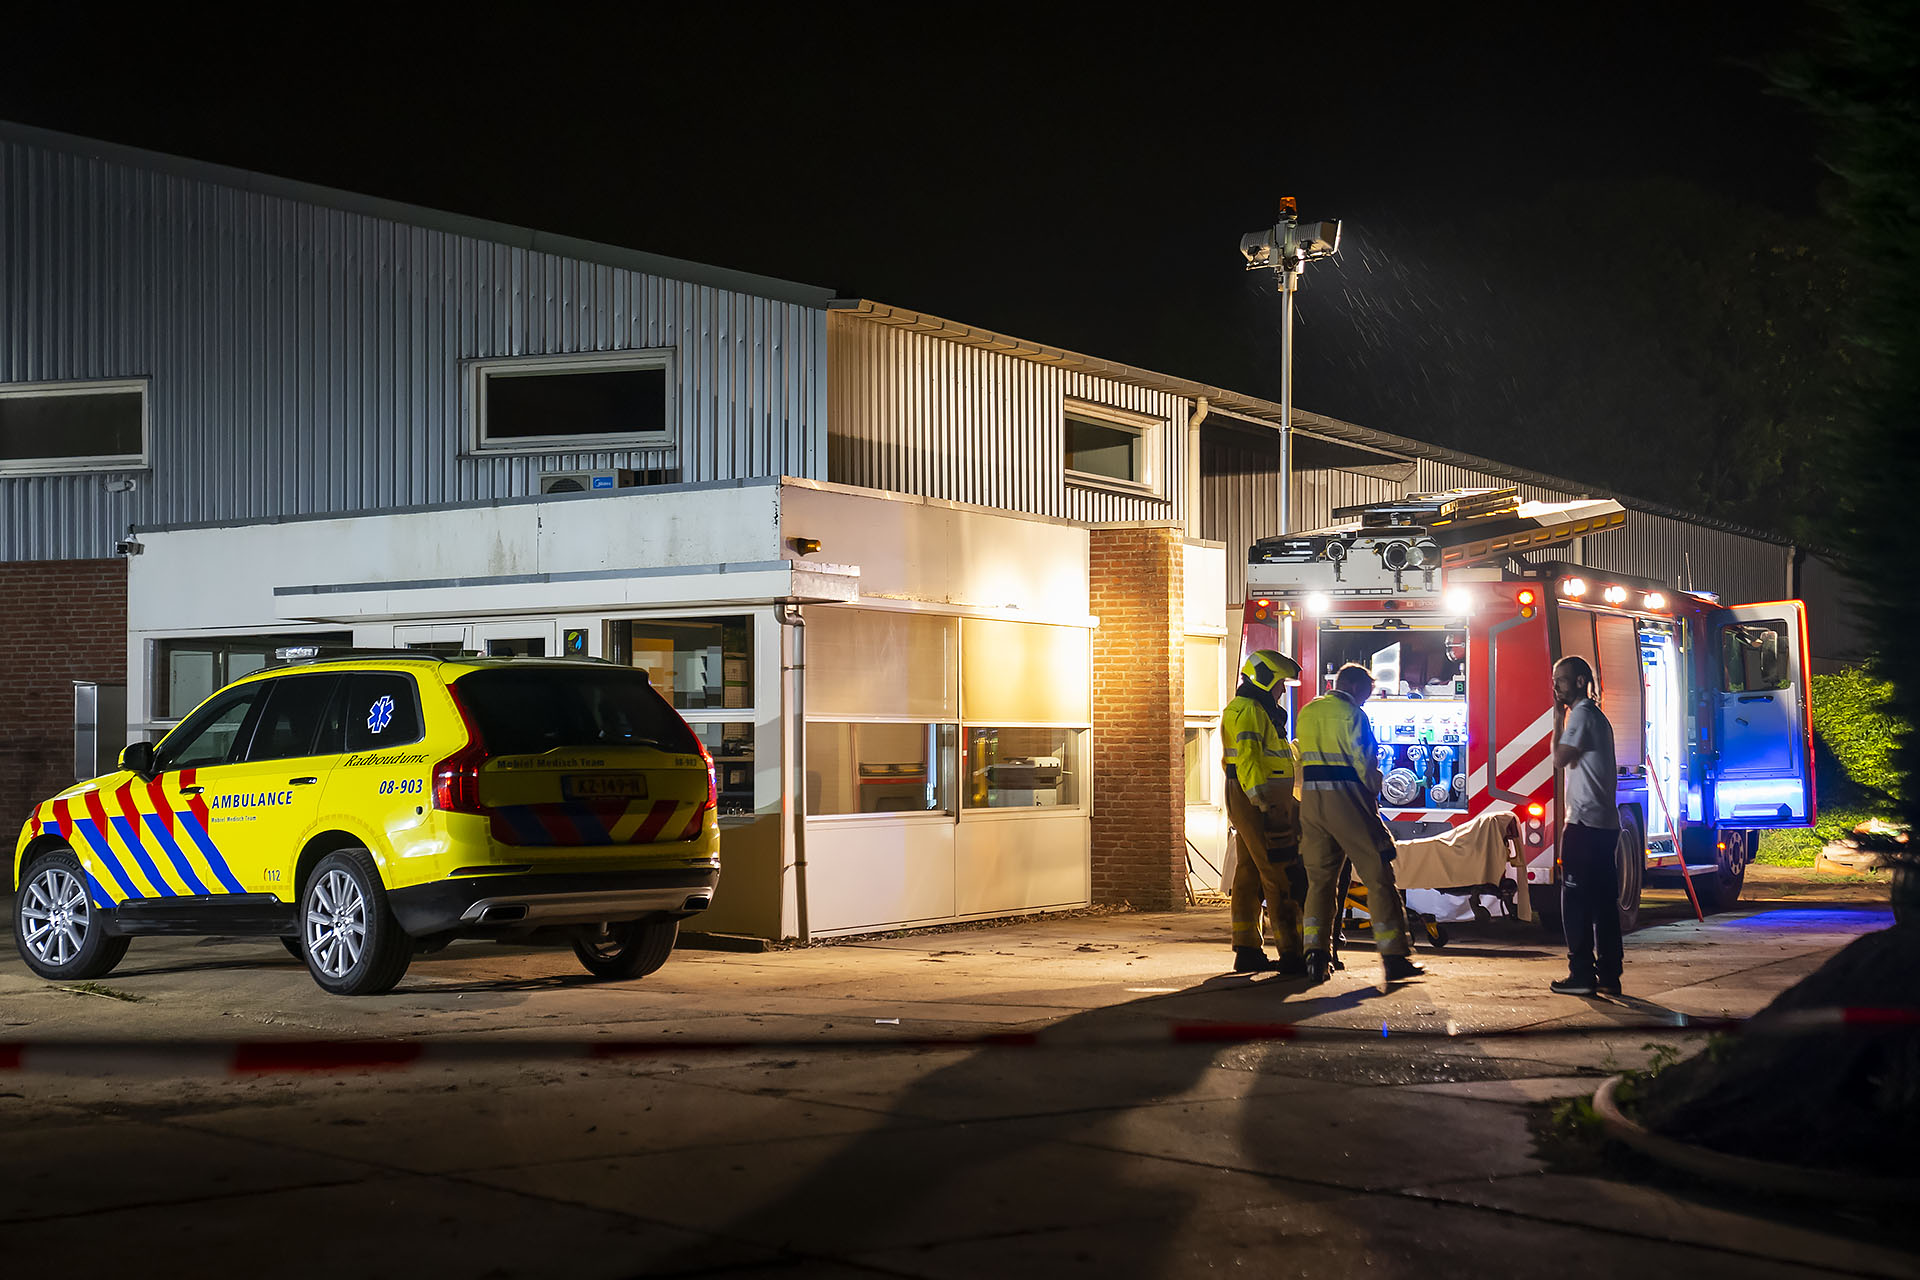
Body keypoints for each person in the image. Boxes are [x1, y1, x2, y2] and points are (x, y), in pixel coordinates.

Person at [1296, 662, 1424, 984]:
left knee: (1320, 882)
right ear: (1354, 688)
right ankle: (1394, 956)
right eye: (1366, 694)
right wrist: (1377, 787)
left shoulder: (1308, 712)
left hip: (1312, 804)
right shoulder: (1354, 715)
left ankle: (1315, 956)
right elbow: (1365, 765)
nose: (1366, 700)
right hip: (1348, 802)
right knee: (1378, 877)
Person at [1221, 650, 1308, 974]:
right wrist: (1263, 803)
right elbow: (1248, 760)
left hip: (1253, 797)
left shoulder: (1253, 709)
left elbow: (1267, 756)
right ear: (1266, 680)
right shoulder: (1251, 712)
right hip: (1259, 799)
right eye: (1281, 684)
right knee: (1278, 872)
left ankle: (1246, 949)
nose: (1283, 691)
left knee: (1248, 872)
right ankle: (1292, 953)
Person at [1549, 655, 1622, 996]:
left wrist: (1555, 720)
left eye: (1561, 680)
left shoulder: (1579, 714)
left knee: (1575, 900)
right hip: (1605, 824)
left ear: (1580, 681)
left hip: (1583, 824)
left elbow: (1560, 759)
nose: (1556, 686)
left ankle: (1580, 974)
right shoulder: (1597, 716)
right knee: (1605, 902)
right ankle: (1610, 973)